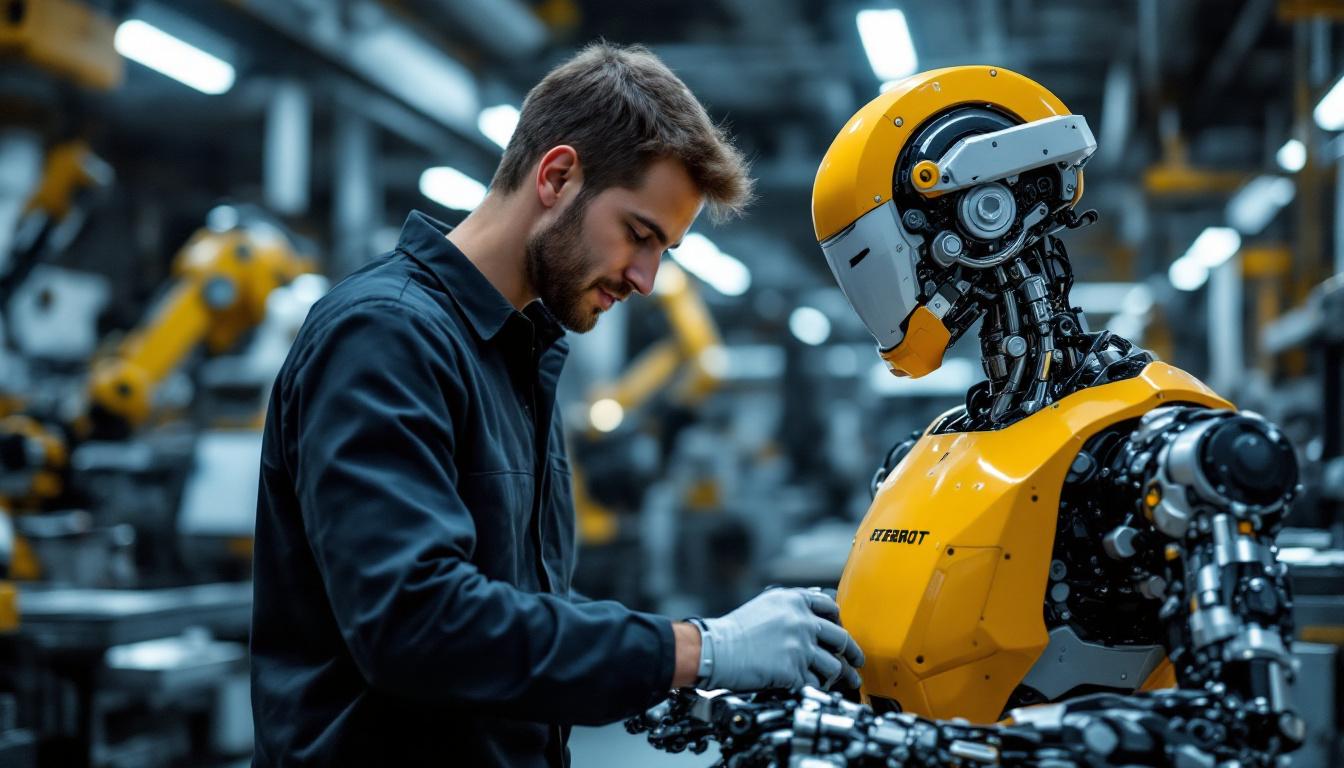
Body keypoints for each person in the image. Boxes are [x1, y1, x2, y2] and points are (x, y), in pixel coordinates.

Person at [249, 42, 863, 767]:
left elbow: (522, 625)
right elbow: (415, 625)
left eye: (664, 250)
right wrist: (701, 648)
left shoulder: (518, 357)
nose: (645, 278)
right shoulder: (386, 336)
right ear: (558, 176)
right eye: (639, 235)